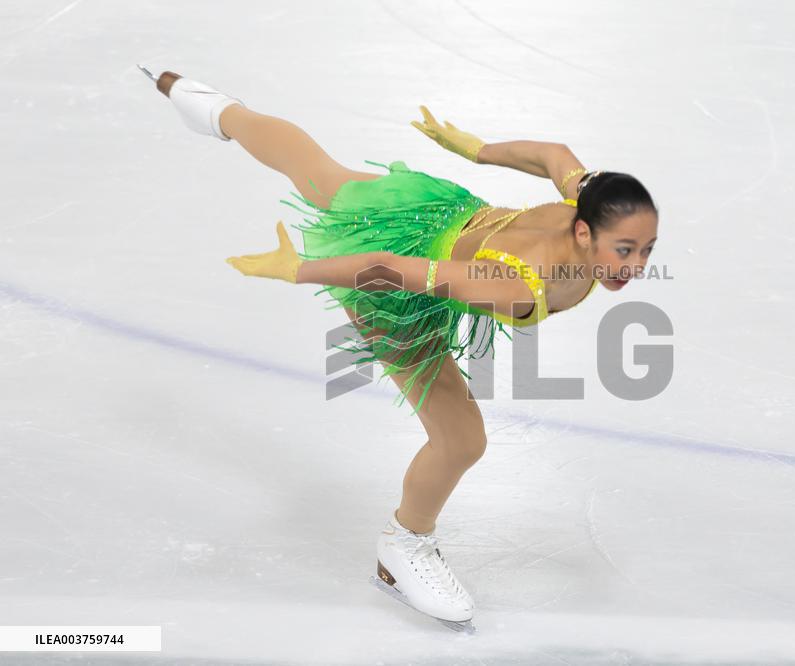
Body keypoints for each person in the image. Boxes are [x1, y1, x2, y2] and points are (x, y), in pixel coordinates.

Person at [138, 66, 658, 630]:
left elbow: (555, 155)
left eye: (646, 249)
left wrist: (479, 150)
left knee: (318, 172)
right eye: (624, 249)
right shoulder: (514, 283)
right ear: (583, 234)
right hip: (397, 284)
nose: (635, 267)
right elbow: (388, 270)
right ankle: (403, 548)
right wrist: (301, 269)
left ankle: (212, 107)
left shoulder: (591, 197)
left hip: (431, 211)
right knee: (460, 440)